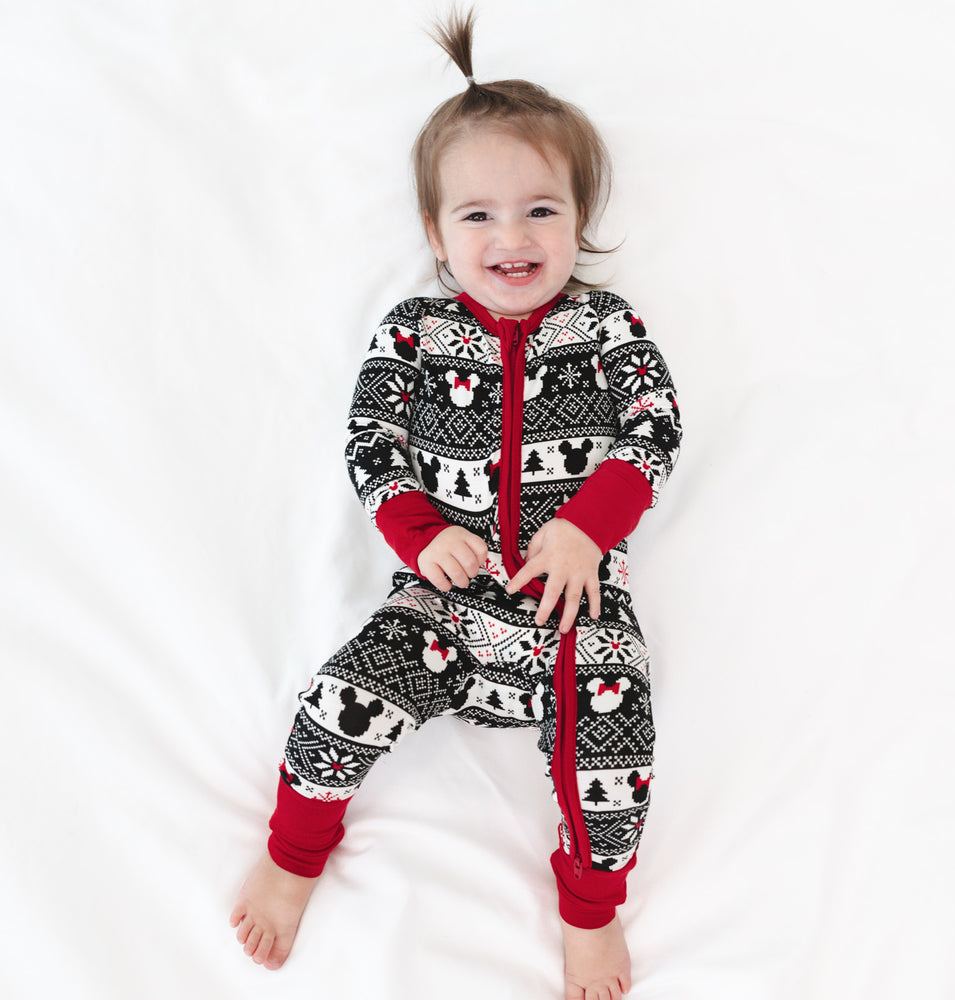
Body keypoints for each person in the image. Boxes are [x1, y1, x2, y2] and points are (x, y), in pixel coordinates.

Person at [230, 9, 681, 999]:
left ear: (579, 222)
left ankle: (590, 914)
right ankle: (295, 855)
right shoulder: (416, 332)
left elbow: (654, 430)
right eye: (477, 215)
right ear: (435, 234)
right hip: (446, 600)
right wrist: (420, 533)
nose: (510, 236)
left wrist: (582, 528)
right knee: (338, 700)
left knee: (622, 741)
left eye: (540, 211)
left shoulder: (607, 327)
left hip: (577, 609)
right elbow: (370, 444)